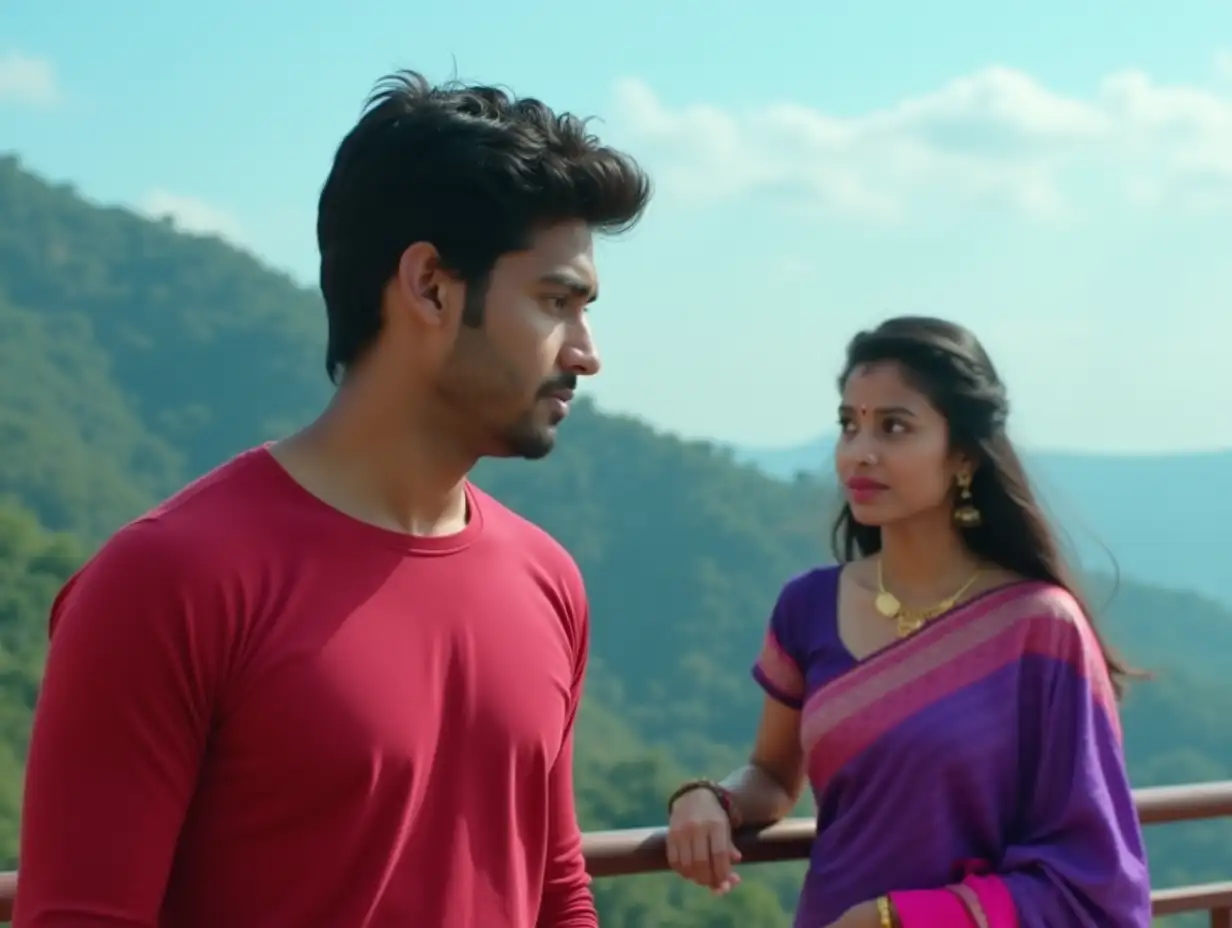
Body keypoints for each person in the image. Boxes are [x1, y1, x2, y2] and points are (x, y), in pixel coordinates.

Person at [15, 71, 651, 928]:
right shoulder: (169, 582)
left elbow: (554, 888)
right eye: (555, 302)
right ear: (429, 285)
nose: (586, 352)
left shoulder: (548, 580)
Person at [664, 317, 1152, 927]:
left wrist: (896, 919)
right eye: (849, 424)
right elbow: (772, 774)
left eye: (894, 426)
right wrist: (712, 798)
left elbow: (1094, 872)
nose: (859, 451)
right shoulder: (809, 607)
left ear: (964, 456)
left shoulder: (1039, 628)